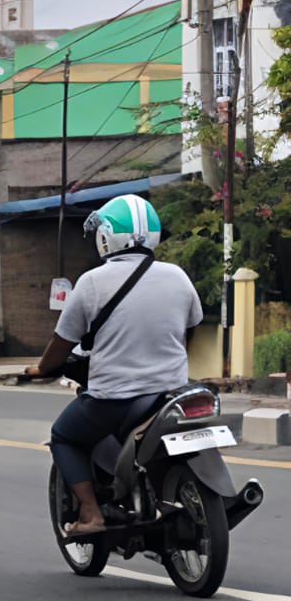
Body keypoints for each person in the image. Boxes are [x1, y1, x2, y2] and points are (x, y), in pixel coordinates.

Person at [25, 194, 202, 537]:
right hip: (170, 395)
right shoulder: (178, 277)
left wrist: (42, 369)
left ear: (105, 236)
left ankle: (91, 513)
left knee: (63, 435)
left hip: (115, 400)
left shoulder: (92, 282)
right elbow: (186, 334)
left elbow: (61, 345)